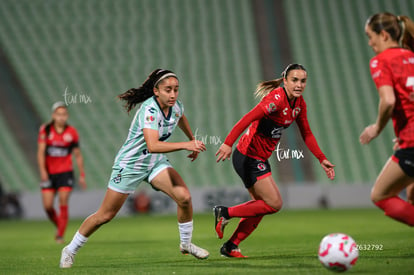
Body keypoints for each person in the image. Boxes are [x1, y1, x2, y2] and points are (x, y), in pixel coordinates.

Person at [60, 69, 209, 268]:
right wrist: (186, 144)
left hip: (154, 162)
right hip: (130, 165)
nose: (173, 94)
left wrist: (192, 138)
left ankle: (186, 244)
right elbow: (153, 145)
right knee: (105, 215)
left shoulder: (176, 106)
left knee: (184, 197)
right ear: (156, 91)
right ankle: (70, 249)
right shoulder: (150, 110)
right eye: (168, 90)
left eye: (176, 89)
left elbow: (181, 117)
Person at [214, 64, 335, 258]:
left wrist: (322, 158)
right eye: (294, 80)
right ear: (285, 80)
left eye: (303, 81)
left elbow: (307, 133)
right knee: (274, 203)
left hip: (258, 158)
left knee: (260, 207)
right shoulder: (276, 100)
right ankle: (225, 212)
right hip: (248, 156)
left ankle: (231, 246)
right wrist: (228, 143)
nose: (299, 84)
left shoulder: (299, 104)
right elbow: (247, 118)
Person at [359, 12, 414, 225]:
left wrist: (376, 128)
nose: (370, 43)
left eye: (370, 36)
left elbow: (388, 100)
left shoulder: (381, 61)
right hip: (408, 137)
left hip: (411, 143)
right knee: (411, 197)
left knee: (380, 195)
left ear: (383, 35)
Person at [37, 102, 87, 244]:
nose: (61, 117)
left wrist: (82, 175)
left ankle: (60, 235)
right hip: (49, 173)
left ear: (67, 116)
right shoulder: (46, 130)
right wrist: (42, 171)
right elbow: (40, 152)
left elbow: (78, 155)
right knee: (47, 207)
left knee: (63, 201)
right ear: (53, 115)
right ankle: (59, 225)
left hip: (65, 173)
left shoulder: (71, 132)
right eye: (58, 114)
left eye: (64, 114)